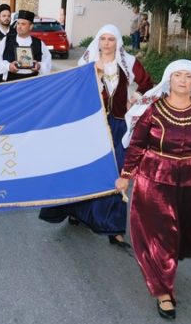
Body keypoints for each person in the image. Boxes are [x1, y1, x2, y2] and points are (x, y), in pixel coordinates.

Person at [117, 59, 191, 320]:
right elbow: (137, 144)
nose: (183, 80)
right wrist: (126, 175)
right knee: (160, 234)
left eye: (189, 76)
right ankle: (163, 292)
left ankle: (165, 266)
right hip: (154, 178)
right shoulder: (153, 110)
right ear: (168, 80)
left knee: (180, 234)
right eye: (178, 76)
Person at [38, 24, 154, 243]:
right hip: (92, 125)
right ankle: (75, 211)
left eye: (111, 39)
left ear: (118, 41)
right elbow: (75, 91)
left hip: (119, 125)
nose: (107, 43)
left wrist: (135, 96)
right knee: (84, 169)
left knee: (117, 173)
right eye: (104, 39)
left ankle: (114, 228)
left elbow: (148, 83)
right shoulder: (87, 62)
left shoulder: (129, 62)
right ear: (98, 41)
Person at [0, 10, 51, 81]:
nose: (19, 26)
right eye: (18, 23)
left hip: (33, 82)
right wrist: (8, 66)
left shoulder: (39, 43)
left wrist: (39, 66)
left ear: (31, 26)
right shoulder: (6, 40)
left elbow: (48, 62)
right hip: (11, 81)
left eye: (23, 24)